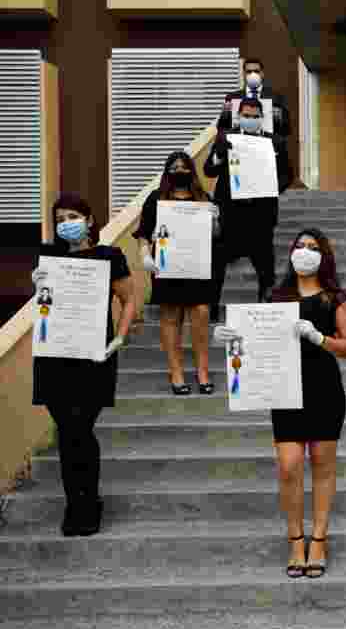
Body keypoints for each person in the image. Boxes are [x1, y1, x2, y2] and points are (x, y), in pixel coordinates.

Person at [214, 228, 346, 578]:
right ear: (291, 252)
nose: (305, 252)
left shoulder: (335, 299)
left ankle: (319, 540)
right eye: (300, 246)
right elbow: (255, 340)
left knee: (323, 465)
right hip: (282, 389)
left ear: (324, 256)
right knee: (290, 464)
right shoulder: (276, 297)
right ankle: (295, 537)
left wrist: (319, 337)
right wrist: (232, 337)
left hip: (324, 388)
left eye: (313, 248)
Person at [31, 193, 135, 536]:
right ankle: (73, 503)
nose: (66, 224)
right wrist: (39, 285)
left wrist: (119, 337)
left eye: (73, 216)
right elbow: (45, 304)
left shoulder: (109, 256)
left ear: (90, 220)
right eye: (60, 219)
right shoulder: (49, 256)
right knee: (67, 431)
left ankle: (88, 503)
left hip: (94, 355)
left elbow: (128, 298)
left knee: (80, 429)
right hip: (55, 356)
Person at [135, 151, 223, 395]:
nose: (179, 171)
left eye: (184, 167)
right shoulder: (155, 199)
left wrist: (215, 220)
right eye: (174, 167)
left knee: (201, 313)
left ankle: (202, 371)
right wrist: (145, 256)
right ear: (166, 172)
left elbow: (216, 236)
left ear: (192, 171)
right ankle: (176, 373)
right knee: (171, 317)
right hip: (167, 267)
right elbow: (143, 233)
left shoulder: (203, 197)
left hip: (198, 266)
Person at [205, 97, 294, 306]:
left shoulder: (275, 142)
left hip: (260, 214)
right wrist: (219, 155)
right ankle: (212, 307)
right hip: (229, 212)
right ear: (238, 117)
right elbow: (209, 170)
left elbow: (287, 175)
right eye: (246, 115)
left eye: (255, 116)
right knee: (217, 263)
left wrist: (272, 187)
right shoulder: (225, 138)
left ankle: (265, 303)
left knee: (265, 265)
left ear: (262, 118)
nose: (250, 119)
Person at [221, 57, 290, 138]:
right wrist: (225, 114)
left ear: (262, 73)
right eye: (249, 72)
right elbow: (222, 128)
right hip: (239, 144)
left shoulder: (276, 97)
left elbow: (286, 129)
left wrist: (278, 118)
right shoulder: (232, 97)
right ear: (243, 74)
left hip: (267, 144)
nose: (253, 74)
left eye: (256, 71)